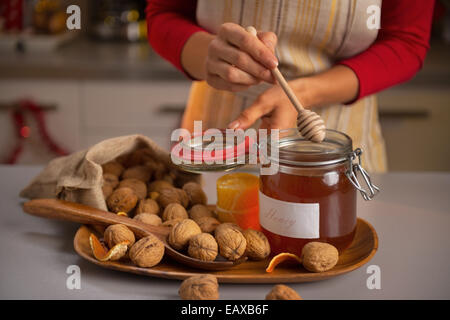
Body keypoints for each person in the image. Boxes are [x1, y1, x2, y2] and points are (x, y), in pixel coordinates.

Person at [146, 0, 435, 172]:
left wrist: (305, 93)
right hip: (216, 142)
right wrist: (210, 56)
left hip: (337, 148)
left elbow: (407, 42)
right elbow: (164, 13)